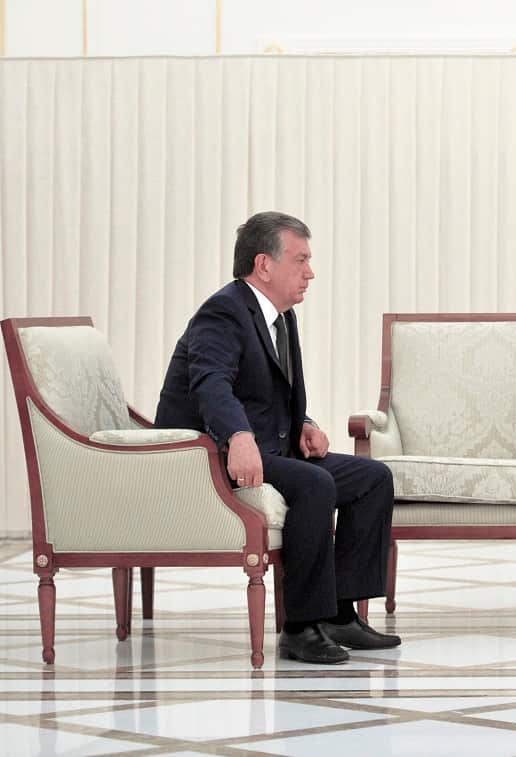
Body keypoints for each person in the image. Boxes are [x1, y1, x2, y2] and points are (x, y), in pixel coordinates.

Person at [156, 211, 399, 665]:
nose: (311, 271)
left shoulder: (281, 317)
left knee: (371, 478)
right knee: (314, 485)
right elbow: (211, 382)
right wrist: (240, 435)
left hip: (267, 448)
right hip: (212, 455)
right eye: (301, 259)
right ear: (264, 265)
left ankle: (340, 615)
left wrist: (304, 423)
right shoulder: (223, 311)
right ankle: (300, 628)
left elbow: (268, 391)